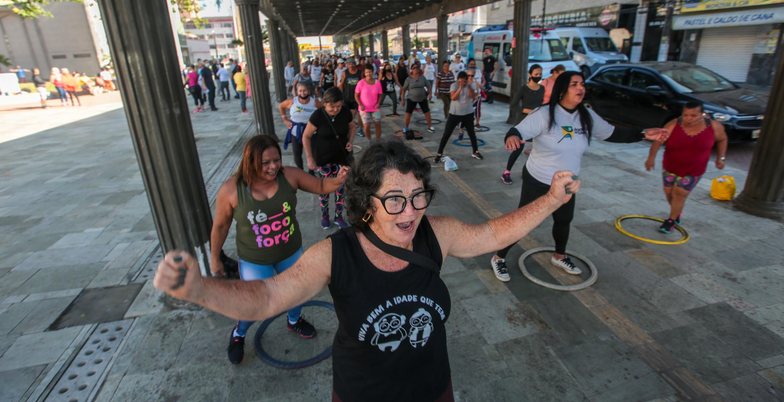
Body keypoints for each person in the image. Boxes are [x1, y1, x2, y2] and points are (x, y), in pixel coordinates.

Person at [154, 140, 580, 400]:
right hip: (363, 393)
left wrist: (553, 201)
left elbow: (490, 234)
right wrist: (198, 288)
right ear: (365, 201)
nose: (409, 212)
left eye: (418, 196)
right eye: (394, 199)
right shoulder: (335, 255)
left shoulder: (438, 234)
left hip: (433, 387)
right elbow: (267, 297)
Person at [490, 71, 667, 282]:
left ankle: (559, 256)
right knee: (524, 222)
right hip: (539, 179)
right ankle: (499, 257)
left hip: (567, 182)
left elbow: (612, 133)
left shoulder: (586, 115)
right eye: (574, 84)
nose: (580, 87)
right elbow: (518, 131)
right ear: (563, 90)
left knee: (564, 220)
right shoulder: (544, 113)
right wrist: (512, 137)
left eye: (582, 83)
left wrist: (643, 133)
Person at [202, 134, 349, 364]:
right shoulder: (232, 190)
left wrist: (338, 180)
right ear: (250, 162)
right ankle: (239, 333)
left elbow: (321, 186)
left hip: (290, 253)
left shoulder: (289, 176)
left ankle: (294, 320)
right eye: (265, 163)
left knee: (297, 292)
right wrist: (214, 258)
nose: (273, 167)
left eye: (276, 160)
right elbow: (220, 225)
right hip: (254, 260)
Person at [645, 101, 728, 233]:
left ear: (702, 114)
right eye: (686, 115)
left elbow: (723, 139)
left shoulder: (714, 127)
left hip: (694, 169)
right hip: (671, 166)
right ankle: (676, 212)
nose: (689, 118)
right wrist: (651, 158)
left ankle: (671, 221)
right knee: (669, 193)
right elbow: (658, 141)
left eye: (693, 115)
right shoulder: (673, 124)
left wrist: (721, 158)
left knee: (680, 193)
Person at [303, 88, 356, 229]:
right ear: (325, 103)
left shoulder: (345, 113)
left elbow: (352, 127)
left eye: (338, 106)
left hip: (341, 158)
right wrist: (309, 158)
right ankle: (324, 215)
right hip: (323, 159)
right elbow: (306, 136)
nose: (336, 109)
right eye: (332, 106)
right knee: (324, 189)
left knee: (341, 188)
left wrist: (350, 140)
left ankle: (338, 216)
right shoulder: (317, 116)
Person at [501, 65, 545, 185]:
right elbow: (513, 104)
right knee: (518, 148)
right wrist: (525, 110)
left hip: (537, 122)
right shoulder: (523, 89)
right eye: (536, 74)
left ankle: (528, 171)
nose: (539, 76)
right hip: (523, 122)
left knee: (538, 148)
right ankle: (506, 172)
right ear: (530, 75)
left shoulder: (542, 89)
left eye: (540, 74)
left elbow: (542, 104)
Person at [433, 71, 483, 162]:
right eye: (461, 80)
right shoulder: (454, 85)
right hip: (455, 114)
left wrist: (468, 86)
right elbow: (453, 97)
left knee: (472, 133)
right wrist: (460, 87)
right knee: (446, 134)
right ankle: (439, 153)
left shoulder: (469, 85)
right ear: (458, 80)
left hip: (468, 113)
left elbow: (472, 97)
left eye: (464, 80)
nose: (463, 82)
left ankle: (475, 151)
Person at [280, 82, 319, 170]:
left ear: (308, 91)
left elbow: (323, 109)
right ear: (297, 92)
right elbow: (281, 106)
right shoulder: (292, 101)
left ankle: (311, 172)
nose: (302, 93)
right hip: (296, 133)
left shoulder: (315, 102)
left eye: (304, 90)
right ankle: (300, 171)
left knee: (313, 154)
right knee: (297, 155)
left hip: (311, 133)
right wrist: (285, 119)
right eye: (300, 91)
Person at [400, 65, 434, 138]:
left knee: (427, 112)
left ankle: (430, 126)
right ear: (411, 70)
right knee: (408, 113)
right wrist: (402, 99)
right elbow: (403, 89)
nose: (416, 69)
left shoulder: (422, 78)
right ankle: (406, 127)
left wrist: (430, 94)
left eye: (417, 68)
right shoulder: (408, 79)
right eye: (414, 68)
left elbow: (429, 86)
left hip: (422, 98)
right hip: (411, 98)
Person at [355, 67, 383, 141]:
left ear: (373, 72)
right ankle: (369, 141)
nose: (368, 74)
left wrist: (378, 103)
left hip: (375, 108)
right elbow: (356, 95)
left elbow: (380, 94)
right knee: (366, 126)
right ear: (364, 73)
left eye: (370, 72)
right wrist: (360, 104)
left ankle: (378, 141)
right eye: (367, 72)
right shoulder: (361, 83)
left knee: (378, 124)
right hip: (364, 108)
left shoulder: (377, 82)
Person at [339, 59, 364, 137]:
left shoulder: (360, 73)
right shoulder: (345, 73)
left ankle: (360, 129)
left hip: (358, 97)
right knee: (349, 115)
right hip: (347, 97)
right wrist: (341, 96)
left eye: (352, 64)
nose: (350, 66)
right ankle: (347, 128)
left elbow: (363, 84)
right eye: (349, 64)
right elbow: (341, 85)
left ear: (354, 64)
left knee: (360, 114)